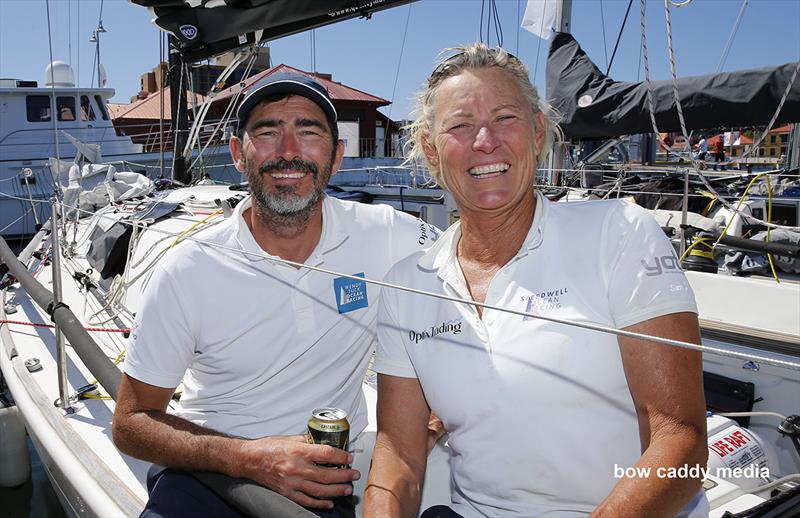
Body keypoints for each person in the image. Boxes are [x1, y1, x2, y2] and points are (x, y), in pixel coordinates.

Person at [364, 44, 708, 517]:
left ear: (538, 132)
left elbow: (682, 440)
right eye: (460, 125)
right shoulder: (408, 285)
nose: (485, 141)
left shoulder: (619, 233)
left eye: (505, 117)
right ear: (431, 149)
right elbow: (399, 453)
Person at [112, 72, 439, 518]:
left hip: (320, 484)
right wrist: (250, 458)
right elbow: (131, 424)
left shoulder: (385, 234)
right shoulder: (189, 268)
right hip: (206, 477)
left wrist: (443, 405)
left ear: (336, 155)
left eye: (309, 132)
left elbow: (472, 269)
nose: (288, 151)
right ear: (238, 155)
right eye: (267, 132)